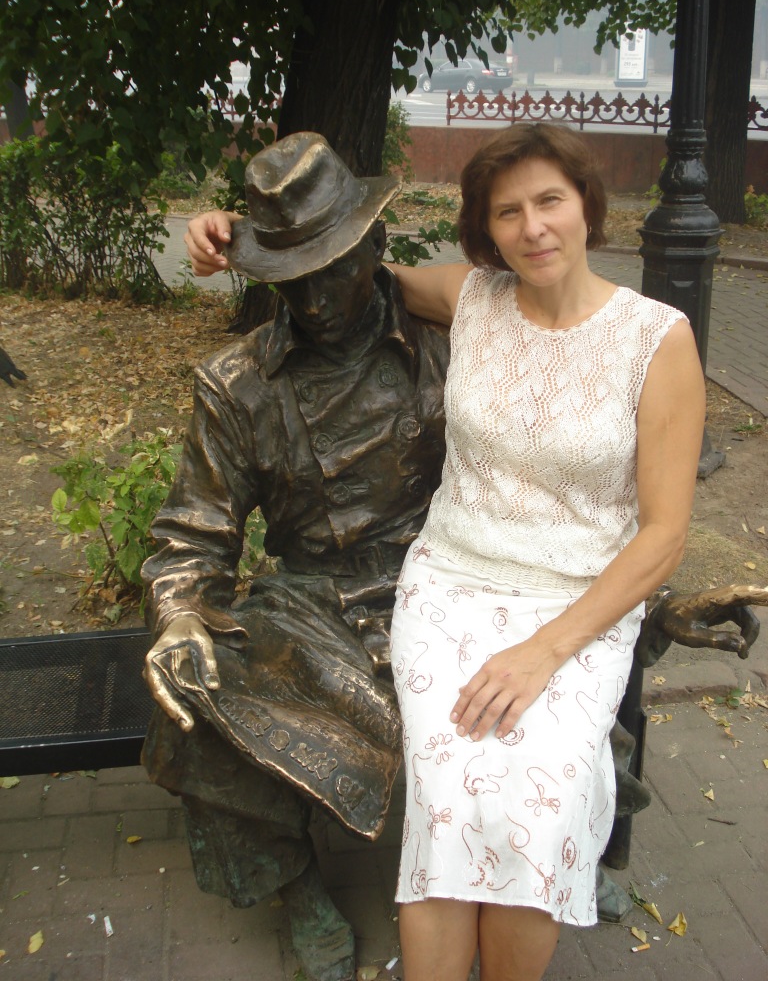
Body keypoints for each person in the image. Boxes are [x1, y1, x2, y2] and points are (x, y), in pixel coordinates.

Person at [179, 125, 759, 981]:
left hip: (570, 608)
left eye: (549, 201)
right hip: (441, 587)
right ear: (487, 231)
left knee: (538, 805)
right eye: (508, 212)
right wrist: (240, 233)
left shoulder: (653, 338)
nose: (534, 227)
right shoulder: (472, 299)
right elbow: (340, 267)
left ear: (588, 205)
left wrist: (563, 642)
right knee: (447, 804)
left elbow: (662, 530)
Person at [142, 131, 450, 981]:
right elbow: (193, 532)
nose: (314, 300)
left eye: (332, 269)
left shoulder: (444, 343)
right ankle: (299, 888)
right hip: (309, 602)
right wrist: (179, 612)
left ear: (375, 246)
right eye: (291, 277)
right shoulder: (237, 383)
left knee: (563, 660)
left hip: (443, 581)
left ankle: (554, 843)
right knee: (196, 694)